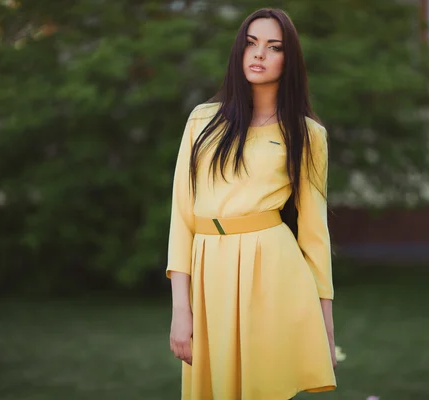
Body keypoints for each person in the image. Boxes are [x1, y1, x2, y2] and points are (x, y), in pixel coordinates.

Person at [166, 7, 338, 400]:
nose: (259, 54)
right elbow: (181, 216)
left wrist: (326, 328)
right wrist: (181, 309)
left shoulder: (308, 135)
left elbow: (314, 235)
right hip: (208, 271)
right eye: (251, 43)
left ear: (288, 60)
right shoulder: (202, 121)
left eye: (273, 47)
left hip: (273, 274)